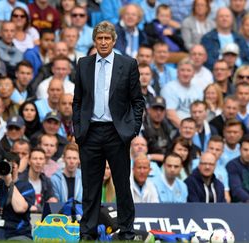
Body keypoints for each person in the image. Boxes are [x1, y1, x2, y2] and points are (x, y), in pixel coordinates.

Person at [72, 21, 145, 241]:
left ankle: (126, 231)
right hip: (90, 132)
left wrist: (132, 130)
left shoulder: (128, 64)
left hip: (117, 133)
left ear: (113, 40)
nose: (103, 42)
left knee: (122, 184)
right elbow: (77, 101)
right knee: (90, 186)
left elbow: (137, 101)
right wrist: (79, 130)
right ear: (94, 41)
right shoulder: (83, 64)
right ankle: (88, 232)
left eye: (107, 38)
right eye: (99, 38)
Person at [161, 58, 203, 128]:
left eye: (189, 70)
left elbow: (201, 112)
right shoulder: (168, 88)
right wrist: (187, 129)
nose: (185, 74)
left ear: (193, 73)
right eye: (182, 70)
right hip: (176, 129)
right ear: (177, 72)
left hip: (195, 127)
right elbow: (171, 115)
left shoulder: (198, 89)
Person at [18, 148, 57, 212]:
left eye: (41, 159)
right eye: (35, 159)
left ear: (44, 162)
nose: (38, 162)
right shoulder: (20, 180)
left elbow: (52, 198)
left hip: (41, 218)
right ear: (29, 161)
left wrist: (53, 200)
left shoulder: (46, 181)